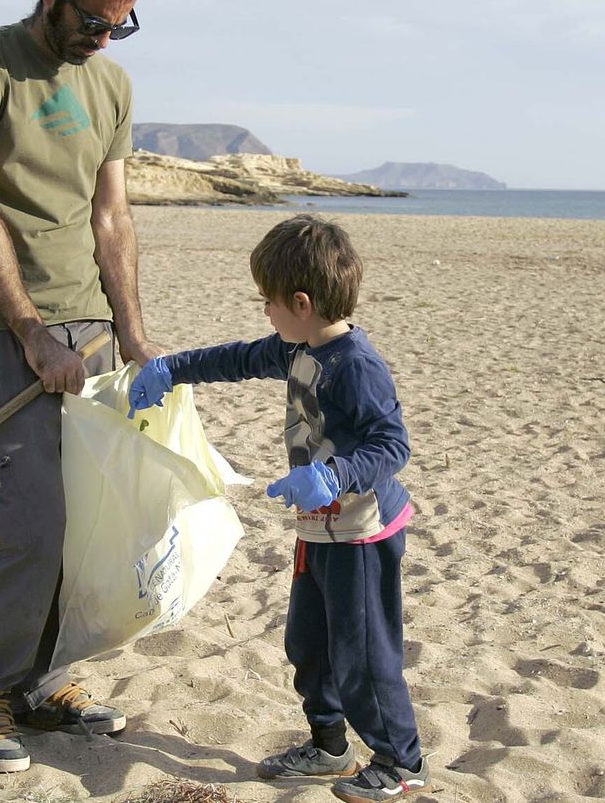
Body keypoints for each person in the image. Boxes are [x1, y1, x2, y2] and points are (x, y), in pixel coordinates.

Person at [0, 0, 162, 773]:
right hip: (7, 328)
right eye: (94, 20)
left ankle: (43, 680)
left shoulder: (112, 86)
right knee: (25, 521)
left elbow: (112, 217)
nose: (102, 39)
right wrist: (29, 330)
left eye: (120, 26)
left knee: (85, 527)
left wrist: (133, 337)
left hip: (90, 332)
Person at [128, 215, 431, 802]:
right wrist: (171, 369)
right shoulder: (298, 346)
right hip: (317, 531)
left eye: (267, 301)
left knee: (363, 654)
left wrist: (334, 475)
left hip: (361, 533)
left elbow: (393, 445)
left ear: (301, 302)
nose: (264, 312)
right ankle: (329, 748)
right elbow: (238, 358)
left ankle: (402, 761)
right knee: (308, 645)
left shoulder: (356, 364)